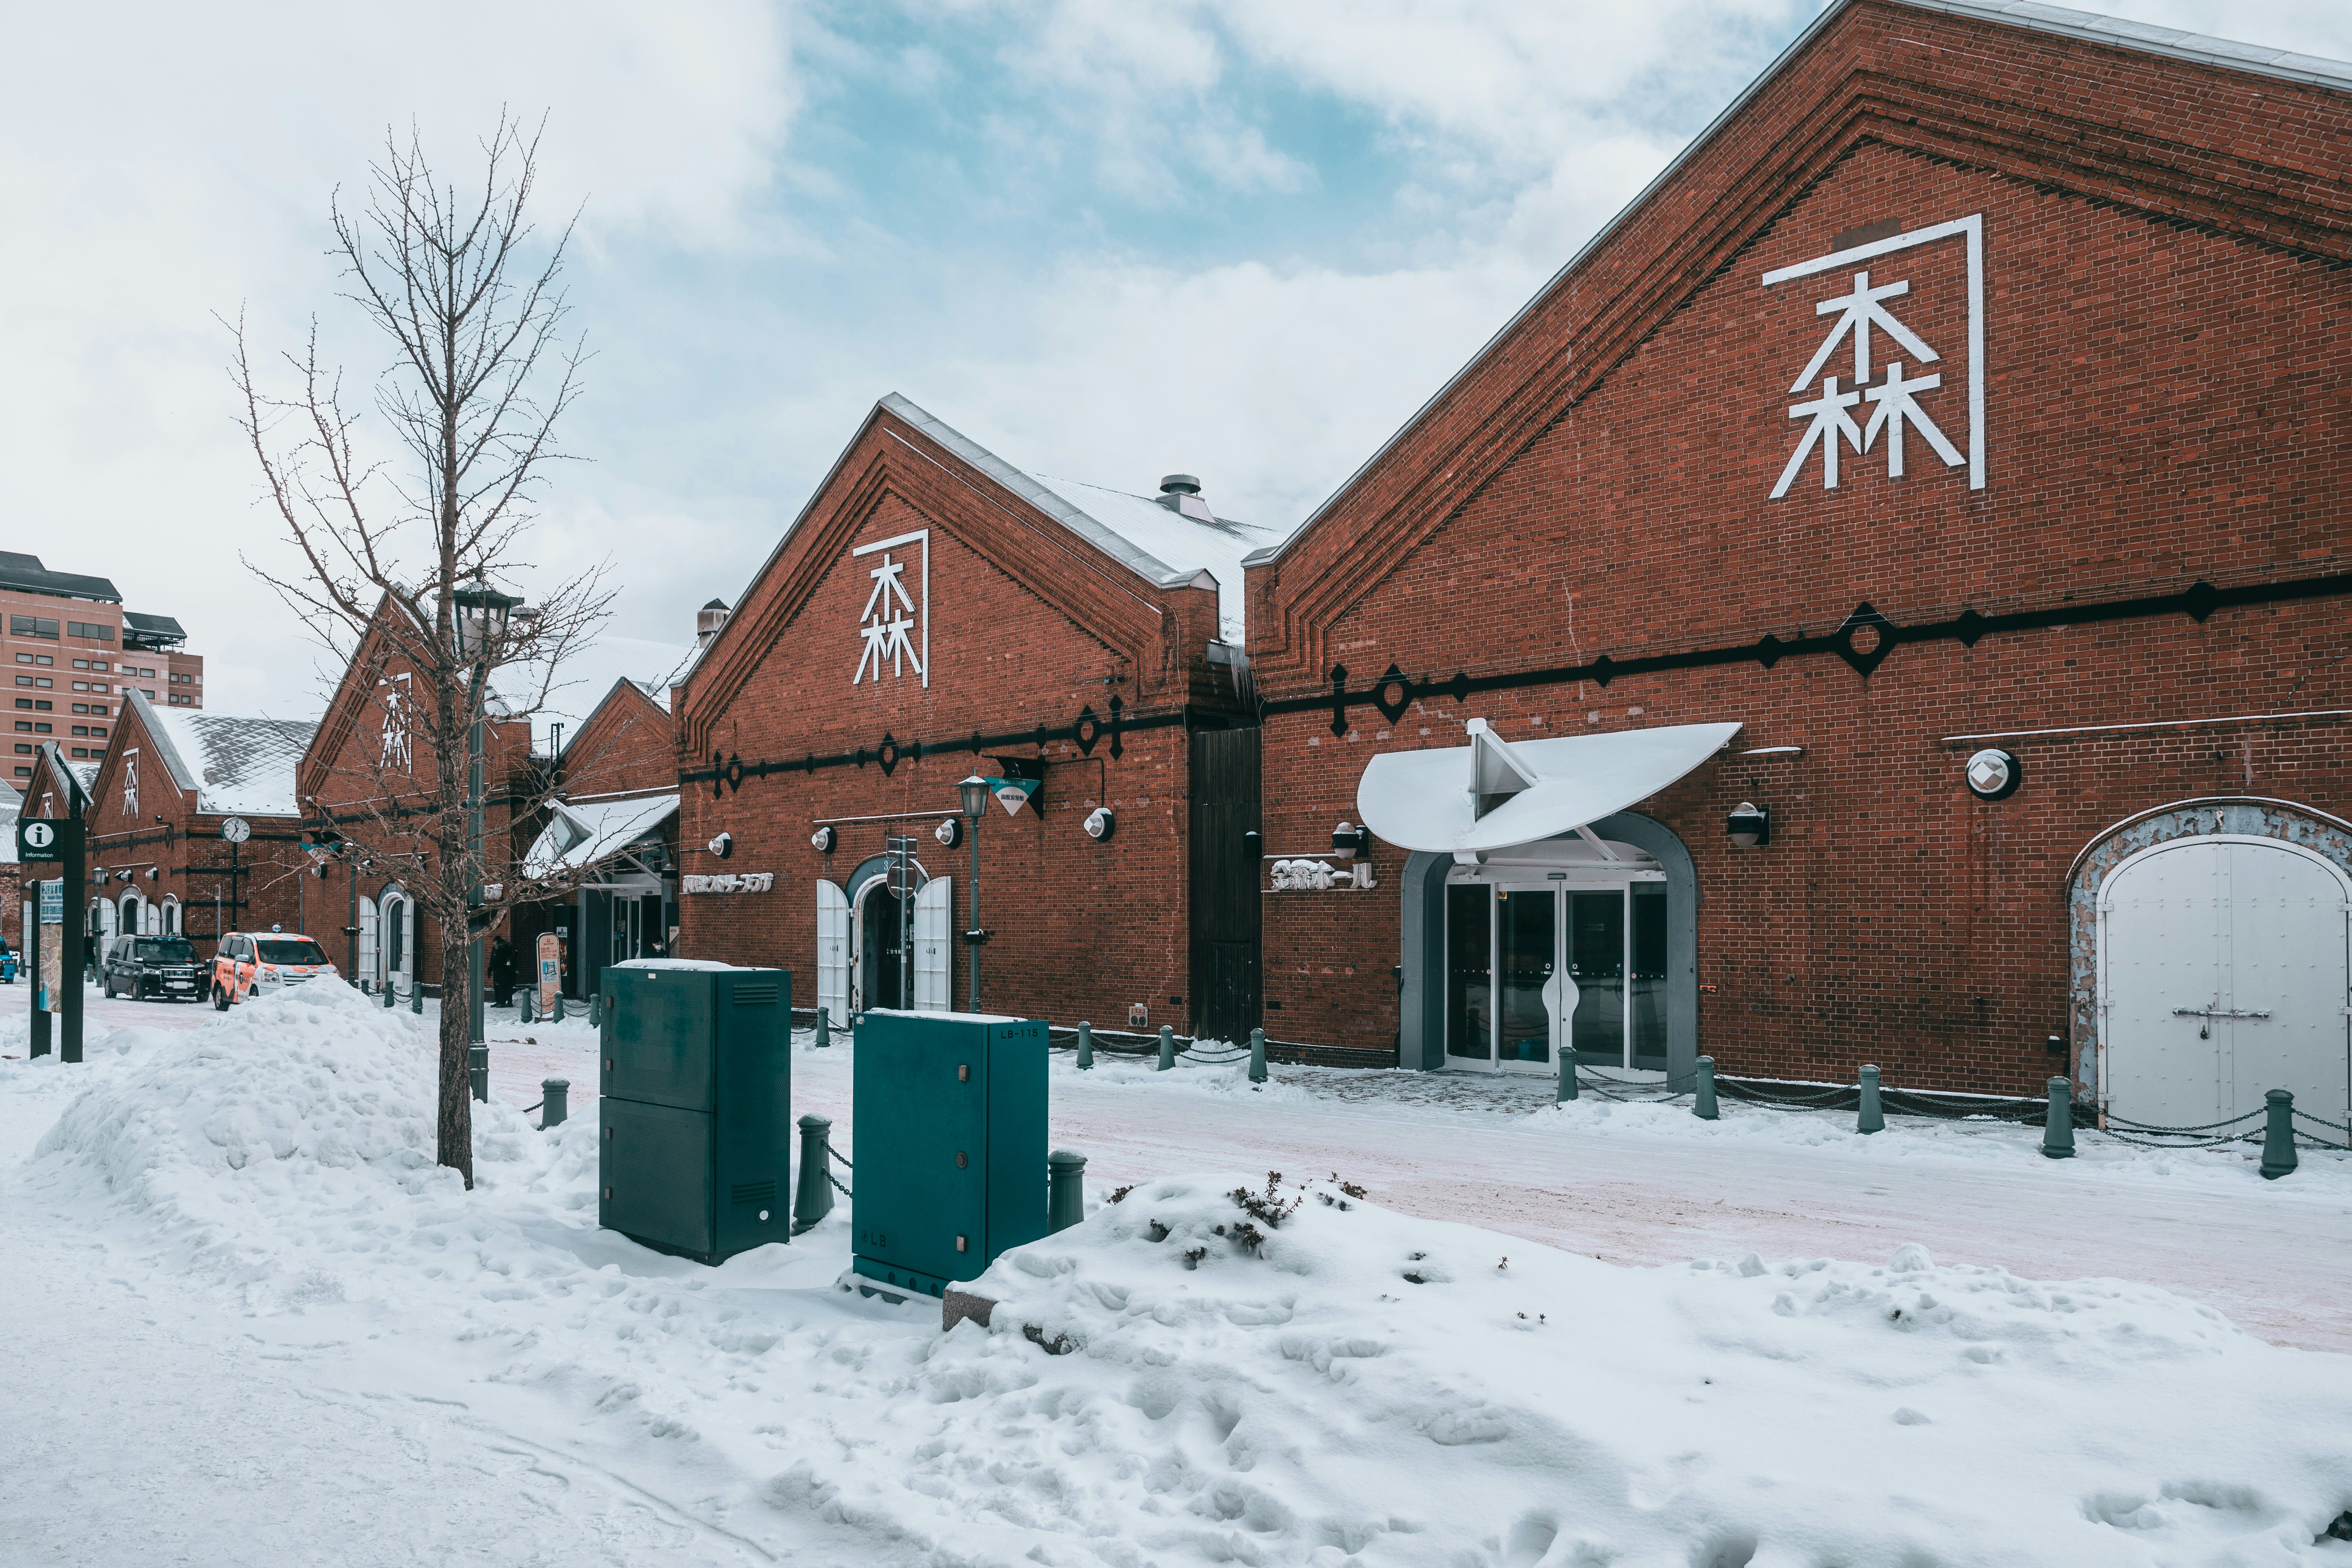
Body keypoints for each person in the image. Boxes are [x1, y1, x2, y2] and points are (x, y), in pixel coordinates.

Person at [488, 933, 516, 1007]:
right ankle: (509, 1002)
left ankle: (502, 1002)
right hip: (510, 971)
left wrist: (491, 968)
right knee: (508, 987)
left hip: (500, 972)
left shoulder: (499, 950)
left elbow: (494, 961)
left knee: (501, 987)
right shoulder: (509, 948)